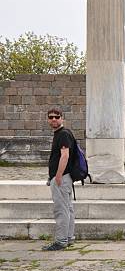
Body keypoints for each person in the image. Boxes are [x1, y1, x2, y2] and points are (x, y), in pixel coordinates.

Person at [42, 107, 76, 251]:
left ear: (62, 118)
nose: (54, 119)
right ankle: (68, 238)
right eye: (51, 117)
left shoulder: (63, 134)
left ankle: (61, 240)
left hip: (62, 178)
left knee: (61, 210)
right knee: (67, 208)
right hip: (64, 178)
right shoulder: (62, 134)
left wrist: (58, 176)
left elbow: (65, 156)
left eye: (56, 117)